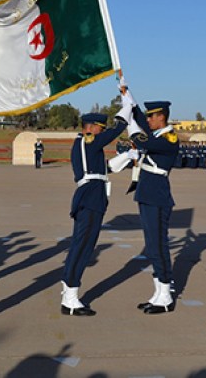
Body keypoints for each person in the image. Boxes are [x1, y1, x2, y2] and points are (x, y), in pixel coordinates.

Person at [60, 93, 131, 316]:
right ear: (89, 127)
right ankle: (71, 297)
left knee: (82, 245)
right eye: (100, 127)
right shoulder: (87, 141)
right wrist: (126, 109)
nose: (102, 131)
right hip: (90, 197)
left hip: (93, 196)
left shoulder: (90, 148)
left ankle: (69, 292)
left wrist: (128, 155)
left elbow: (104, 169)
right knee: (83, 246)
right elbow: (115, 131)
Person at [127, 96, 180, 314]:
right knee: (151, 246)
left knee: (159, 246)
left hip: (157, 198)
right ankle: (158, 293)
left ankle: (166, 295)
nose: (147, 120)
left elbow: (142, 141)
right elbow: (140, 121)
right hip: (147, 195)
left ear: (161, 117)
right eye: (147, 116)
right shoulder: (156, 134)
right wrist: (128, 100)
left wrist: (130, 126)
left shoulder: (169, 139)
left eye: (151, 117)